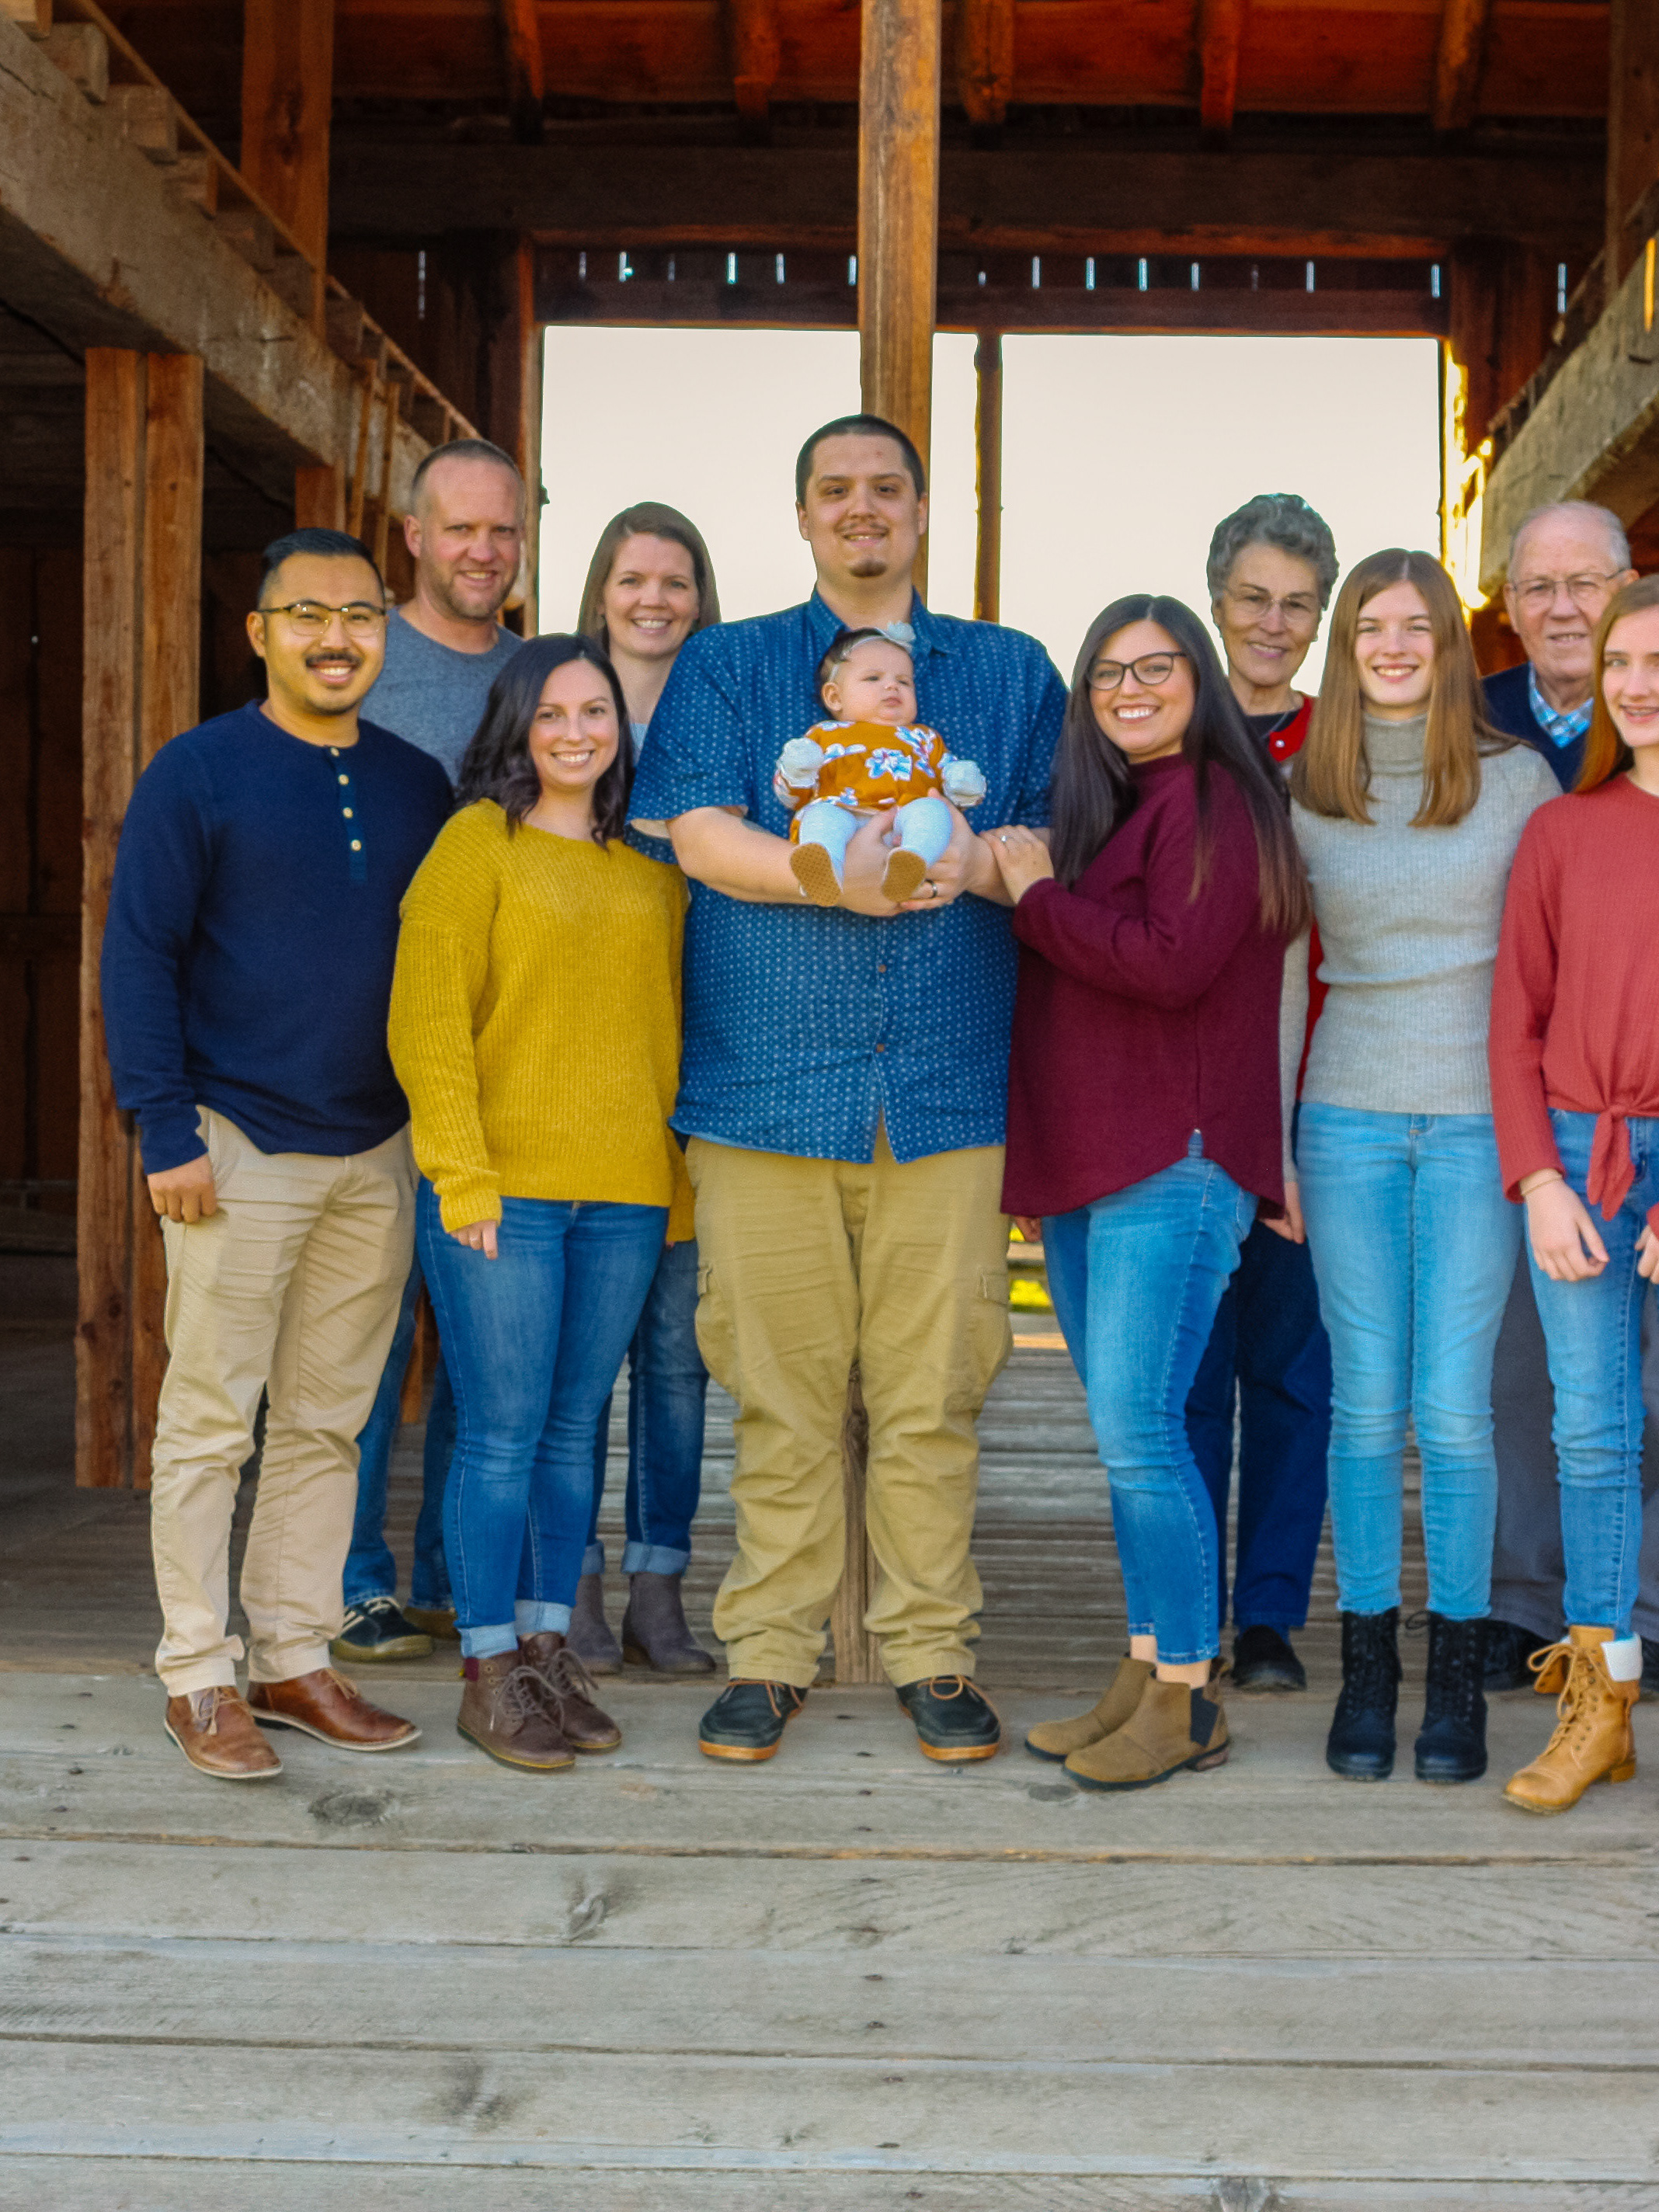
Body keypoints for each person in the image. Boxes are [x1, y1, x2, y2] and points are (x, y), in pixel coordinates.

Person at [630, 412, 1066, 1764]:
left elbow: (1056, 834)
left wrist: (971, 864)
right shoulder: (731, 663)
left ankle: (933, 1653)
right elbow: (698, 832)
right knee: (782, 1396)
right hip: (766, 1089)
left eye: (886, 488)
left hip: (947, 1090)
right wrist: (834, 879)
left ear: (922, 511)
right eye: (836, 489)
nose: (861, 507)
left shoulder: (1009, 670)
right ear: (804, 514)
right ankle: (770, 1655)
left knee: (935, 1395)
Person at [100, 528, 450, 1780]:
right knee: (211, 1424)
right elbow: (139, 954)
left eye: (359, 615)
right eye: (308, 614)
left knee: (326, 1425)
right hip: (236, 1144)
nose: (335, 638)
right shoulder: (198, 773)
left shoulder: (417, 785)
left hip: (377, 1150)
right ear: (260, 633)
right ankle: (198, 1672)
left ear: (383, 634)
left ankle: (294, 1657)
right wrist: (167, 1129)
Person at [1007, 599, 1306, 1790]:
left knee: (1143, 1432)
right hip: (1095, 1159)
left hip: (1172, 1159)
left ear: (1200, 680)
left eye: (1154, 667)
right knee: (1131, 1435)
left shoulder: (1222, 802)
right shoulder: (1127, 805)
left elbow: (1171, 967)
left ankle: (1186, 1695)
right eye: (1107, 674)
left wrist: (1034, 898)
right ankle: (1145, 1670)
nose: (1128, 689)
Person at [389, 635, 690, 1771]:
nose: (575, 732)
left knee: (573, 1433)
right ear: (516, 725)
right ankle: (487, 1666)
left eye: (595, 711)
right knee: (502, 1433)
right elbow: (428, 1019)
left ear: (621, 727)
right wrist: (460, 1174)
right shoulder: (477, 843)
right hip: (502, 1195)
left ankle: (549, 1649)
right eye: (552, 713)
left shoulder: (651, 866)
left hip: (624, 1196)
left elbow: (666, 1027)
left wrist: (673, 1186)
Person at [1285, 548, 1558, 1786]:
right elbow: (1285, 977)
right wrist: (1276, 1146)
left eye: (1418, 628)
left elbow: (1546, 969)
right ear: (1346, 649)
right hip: (1343, 1122)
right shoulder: (1304, 787)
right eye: (1371, 628)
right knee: (1363, 1405)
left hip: (1476, 1127)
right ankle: (1367, 1674)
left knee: (1452, 1410)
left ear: (1451, 646)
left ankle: (1453, 1682)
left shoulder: (1515, 782)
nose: (1394, 648)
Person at [332, 436, 528, 1664]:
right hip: (365, 1063)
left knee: (483, 1347)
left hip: (501, 1061)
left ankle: (456, 1576)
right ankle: (352, 1582)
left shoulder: (536, 679)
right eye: (461, 528)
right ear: (412, 535)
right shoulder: (362, 662)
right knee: (368, 1333)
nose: (483, 551)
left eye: (503, 531)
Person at [1478, 503, 1657, 1693]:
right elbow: (1518, 1015)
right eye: (1536, 587)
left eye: (1584, 585)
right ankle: (1565, 1641)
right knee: (1564, 1404)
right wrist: (1539, 1171)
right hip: (1566, 1137)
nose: (1561, 609)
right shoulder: (1538, 801)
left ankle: (1641, 1619)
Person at [1184, 492, 1338, 1693]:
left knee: (1291, 1371)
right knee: (1189, 1373)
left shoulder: (1343, 753)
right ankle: (1187, 1603)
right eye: (1254, 599)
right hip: (1190, 1106)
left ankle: (1272, 1616)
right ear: (1216, 600)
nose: (1273, 623)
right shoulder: (1168, 740)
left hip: (1314, 1096)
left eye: (1297, 604)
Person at [569, 503, 722, 1675]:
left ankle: (657, 1588)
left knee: (675, 1358)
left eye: (676, 580)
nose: (654, 599)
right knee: (578, 1361)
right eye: (633, 578)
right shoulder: (565, 714)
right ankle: (567, 1579)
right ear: (601, 592)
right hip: (587, 1080)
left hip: (702, 1077)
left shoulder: (727, 711)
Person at [777, 624, 986, 903]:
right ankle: (824, 866)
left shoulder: (923, 737)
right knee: (821, 816)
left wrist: (963, 783)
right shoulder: (823, 734)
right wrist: (798, 770)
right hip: (843, 810)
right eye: (873, 678)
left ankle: (912, 860)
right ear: (835, 697)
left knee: (934, 811)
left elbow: (950, 778)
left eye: (904, 682)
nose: (891, 686)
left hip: (905, 817)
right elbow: (795, 797)